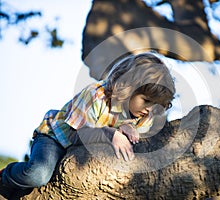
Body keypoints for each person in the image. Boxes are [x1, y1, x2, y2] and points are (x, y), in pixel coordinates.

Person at [0, 52, 175, 197]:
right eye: (146, 100)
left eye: (155, 105)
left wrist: (130, 128)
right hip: (56, 138)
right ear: (128, 86)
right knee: (38, 174)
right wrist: (110, 133)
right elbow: (79, 134)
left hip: (78, 156)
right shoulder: (96, 96)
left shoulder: (144, 115)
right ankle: (5, 176)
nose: (149, 110)